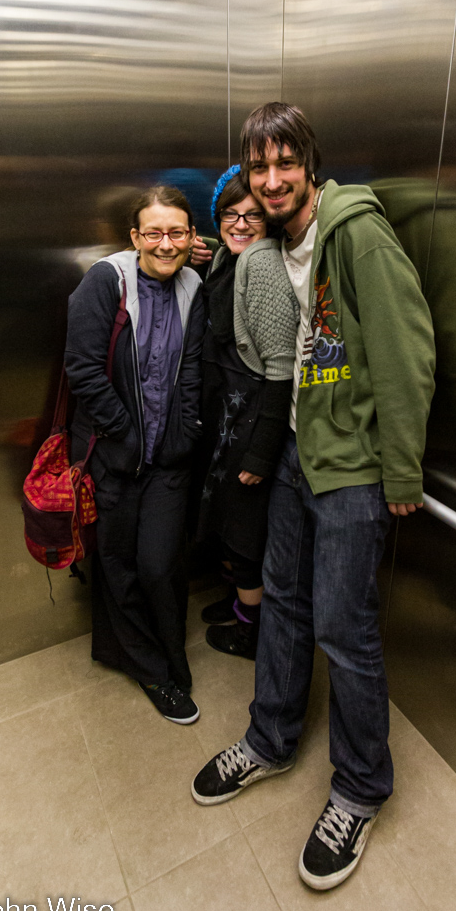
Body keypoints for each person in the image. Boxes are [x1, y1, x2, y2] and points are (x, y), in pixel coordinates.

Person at [191, 103, 436, 889]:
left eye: (282, 163)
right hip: (300, 452)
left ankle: (360, 788)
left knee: (344, 627)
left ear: (309, 164)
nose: (269, 180)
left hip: (355, 469)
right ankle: (270, 739)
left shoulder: (354, 232)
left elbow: (405, 353)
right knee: (286, 607)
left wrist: (399, 470)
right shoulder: (280, 240)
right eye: (257, 167)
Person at [65, 185, 205, 724]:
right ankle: (151, 668)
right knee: (119, 565)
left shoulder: (195, 286)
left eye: (177, 232)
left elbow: (190, 372)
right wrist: (126, 433)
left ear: (192, 237)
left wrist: (182, 436)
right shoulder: (107, 282)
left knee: (159, 563)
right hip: (113, 455)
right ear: (134, 236)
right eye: (154, 232)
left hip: (169, 459)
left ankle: (171, 651)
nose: (165, 244)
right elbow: (83, 371)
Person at [196, 165, 298, 659]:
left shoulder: (262, 263)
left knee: (245, 536)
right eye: (228, 215)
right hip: (229, 419)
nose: (238, 224)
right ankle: (240, 606)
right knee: (232, 527)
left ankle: (251, 632)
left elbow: (281, 371)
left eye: (251, 216)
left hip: (254, 421)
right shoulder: (229, 258)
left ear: (271, 220)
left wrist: (260, 454)